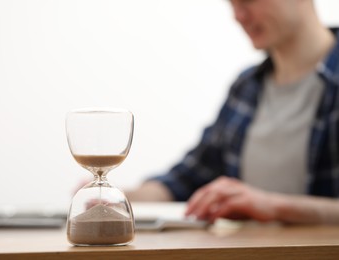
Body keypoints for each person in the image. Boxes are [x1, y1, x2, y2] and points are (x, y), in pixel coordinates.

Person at [126, 0, 339, 225]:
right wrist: (115, 199)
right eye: (232, 4)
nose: (238, 15)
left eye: (248, 1)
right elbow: (186, 178)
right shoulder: (245, 88)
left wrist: (276, 207)